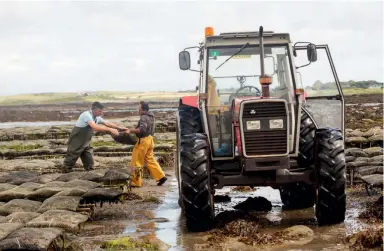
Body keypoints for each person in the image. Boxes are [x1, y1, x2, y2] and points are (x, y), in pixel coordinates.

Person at [61, 101, 127, 173]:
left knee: (89, 159)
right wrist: (110, 130)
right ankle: (65, 171)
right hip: (77, 140)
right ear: (94, 110)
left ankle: (90, 172)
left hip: (85, 142)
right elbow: (94, 127)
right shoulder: (86, 115)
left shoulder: (97, 117)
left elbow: (107, 123)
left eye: (102, 111)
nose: (101, 113)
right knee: (72, 156)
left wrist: (119, 128)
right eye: (100, 111)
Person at [124, 101, 167, 187]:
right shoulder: (152, 116)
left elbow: (142, 130)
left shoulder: (144, 117)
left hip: (143, 141)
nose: (138, 110)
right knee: (150, 159)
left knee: (136, 161)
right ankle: (161, 176)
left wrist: (130, 130)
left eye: (139, 108)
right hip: (150, 140)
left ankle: (136, 182)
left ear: (143, 110)